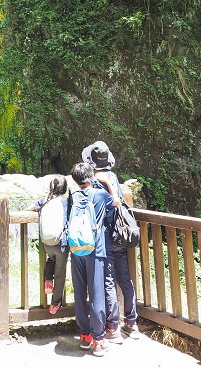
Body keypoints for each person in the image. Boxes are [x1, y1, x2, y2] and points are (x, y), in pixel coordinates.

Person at [82, 140, 140, 341]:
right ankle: (131, 323)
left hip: (105, 235)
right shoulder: (113, 177)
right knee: (124, 278)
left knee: (108, 280)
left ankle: (113, 327)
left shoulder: (95, 181)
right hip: (120, 234)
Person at [69, 162, 116, 357]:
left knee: (79, 291)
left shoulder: (72, 196)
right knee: (97, 293)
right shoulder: (100, 194)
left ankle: (85, 336)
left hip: (76, 249)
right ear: (91, 177)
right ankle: (98, 340)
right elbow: (114, 207)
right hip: (95, 249)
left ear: (75, 179)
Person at [31, 175, 69, 314]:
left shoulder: (45, 200)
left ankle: (48, 280)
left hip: (47, 243)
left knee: (51, 259)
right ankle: (55, 303)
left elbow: (32, 207)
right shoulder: (65, 202)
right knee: (60, 273)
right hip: (61, 244)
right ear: (64, 189)